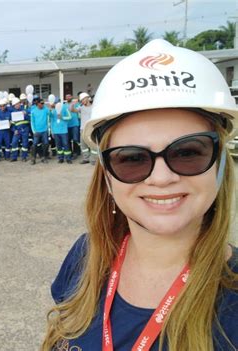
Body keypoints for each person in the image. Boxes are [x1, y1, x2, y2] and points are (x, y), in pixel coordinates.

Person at [42, 39, 238, 351]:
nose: (162, 178)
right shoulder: (85, 255)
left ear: (219, 163)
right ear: (106, 176)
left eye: (188, 152)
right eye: (131, 158)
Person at [9, 97, 30, 162]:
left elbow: (29, 120)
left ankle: (24, 157)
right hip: (17, 131)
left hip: (25, 129)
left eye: (18, 104)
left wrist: (25, 114)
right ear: (13, 105)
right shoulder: (12, 113)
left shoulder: (24, 110)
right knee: (14, 142)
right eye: (15, 104)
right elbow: (12, 124)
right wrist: (14, 130)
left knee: (25, 144)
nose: (17, 105)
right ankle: (14, 157)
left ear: (20, 103)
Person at [30, 99, 50, 165]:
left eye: (43, 103)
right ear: (37, 104)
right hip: (37, 131)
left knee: (46, 144)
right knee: (34, 145)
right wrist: (34, 131)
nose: (42, 104)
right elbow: (32, 122)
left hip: (44, 130)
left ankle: (44, 157)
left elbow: (50, 113)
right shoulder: (33, 111)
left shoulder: (46, 109)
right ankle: (33, 158)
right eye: (41, 103)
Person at [78, 92, 96, 165]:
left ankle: (94, 159)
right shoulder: (81, 108)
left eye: (83, 100)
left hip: (91, 128)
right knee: (83, 145)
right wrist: (73, 104)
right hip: (82, 129)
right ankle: (86, 159)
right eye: (81, 100)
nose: (82, 101)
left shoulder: (94, 107)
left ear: (87, 99)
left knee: (93, 144)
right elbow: (72, 110)